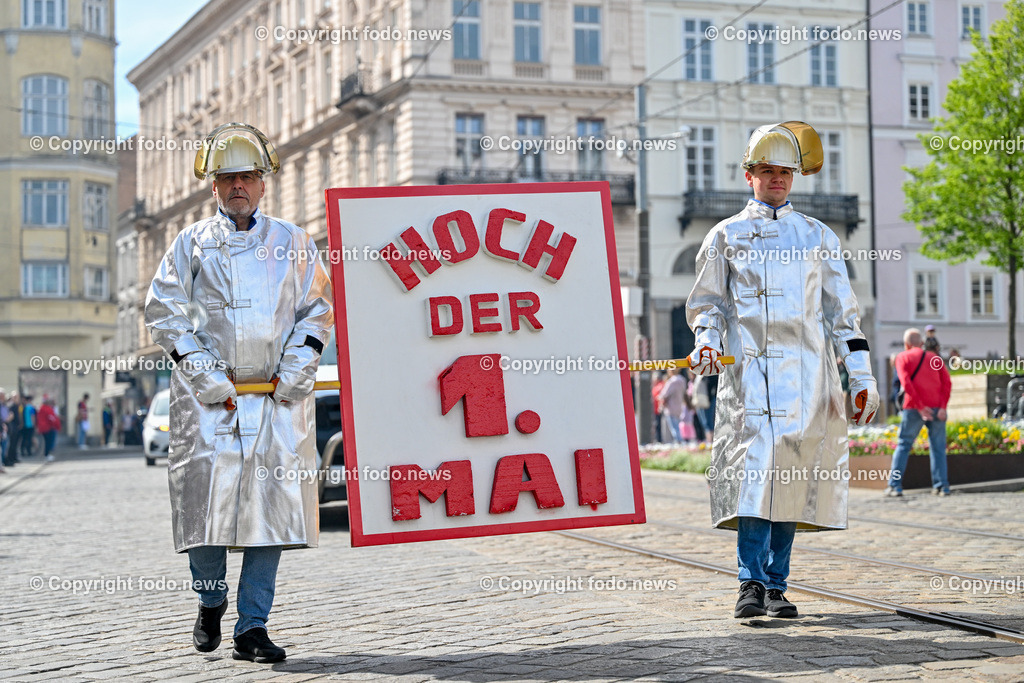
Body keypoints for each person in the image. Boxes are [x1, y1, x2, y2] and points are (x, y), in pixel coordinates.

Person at [145, 123, 333, 664]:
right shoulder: (190, 244)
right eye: (228, 178)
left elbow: (317, 310)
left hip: (274, 400)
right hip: (210, 403)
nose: (238, 187)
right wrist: (205, 374)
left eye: (247, 176)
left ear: (263, 183)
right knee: (205, 516)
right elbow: (164, 311)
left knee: (267, 518)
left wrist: (296, 370)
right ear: (214, 187)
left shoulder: (293, 243)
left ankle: (252, 627)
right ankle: (210, 601)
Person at [686, 122, 878, 619]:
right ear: (749, 175)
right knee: (754, 477)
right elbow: (707, 306)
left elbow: (845, 315)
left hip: (807, 378)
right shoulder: (723, 235)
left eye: (785, 173)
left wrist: (862, 377)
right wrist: (706, 342)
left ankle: (777, 584)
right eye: (768, 172)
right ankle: (749, 583)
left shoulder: (819, 236)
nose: (777, 180)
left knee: (790, 480)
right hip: (748, 378)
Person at [884, 328, 952, 497]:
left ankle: (895, 486)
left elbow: (905, 383)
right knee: (938, 448)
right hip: (937, 409)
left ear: (906, 344)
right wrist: (943, 407)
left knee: (904, 444)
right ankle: (941, 486)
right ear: (921, 343)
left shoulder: (902, 357)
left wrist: (921, 406)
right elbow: (947, 383)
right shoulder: (934, 358)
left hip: (914, 408)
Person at [658, 368, 688, 443]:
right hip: (679, 405)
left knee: (674, 427)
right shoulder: (682, 380)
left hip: (670, 407)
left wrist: (659, 397)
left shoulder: (671, 381)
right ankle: (680, 440)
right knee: (678, 424)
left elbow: (664, 394)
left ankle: (678, 441)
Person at [18, 395, 37, 459]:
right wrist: (34, 424)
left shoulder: (22, 407)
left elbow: (20, 416)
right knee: (29, 439)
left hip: (24, 425)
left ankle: (22, 451)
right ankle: (28, 451)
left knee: (24, 439)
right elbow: (33, 416)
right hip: (30, 425)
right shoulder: (30, 407)